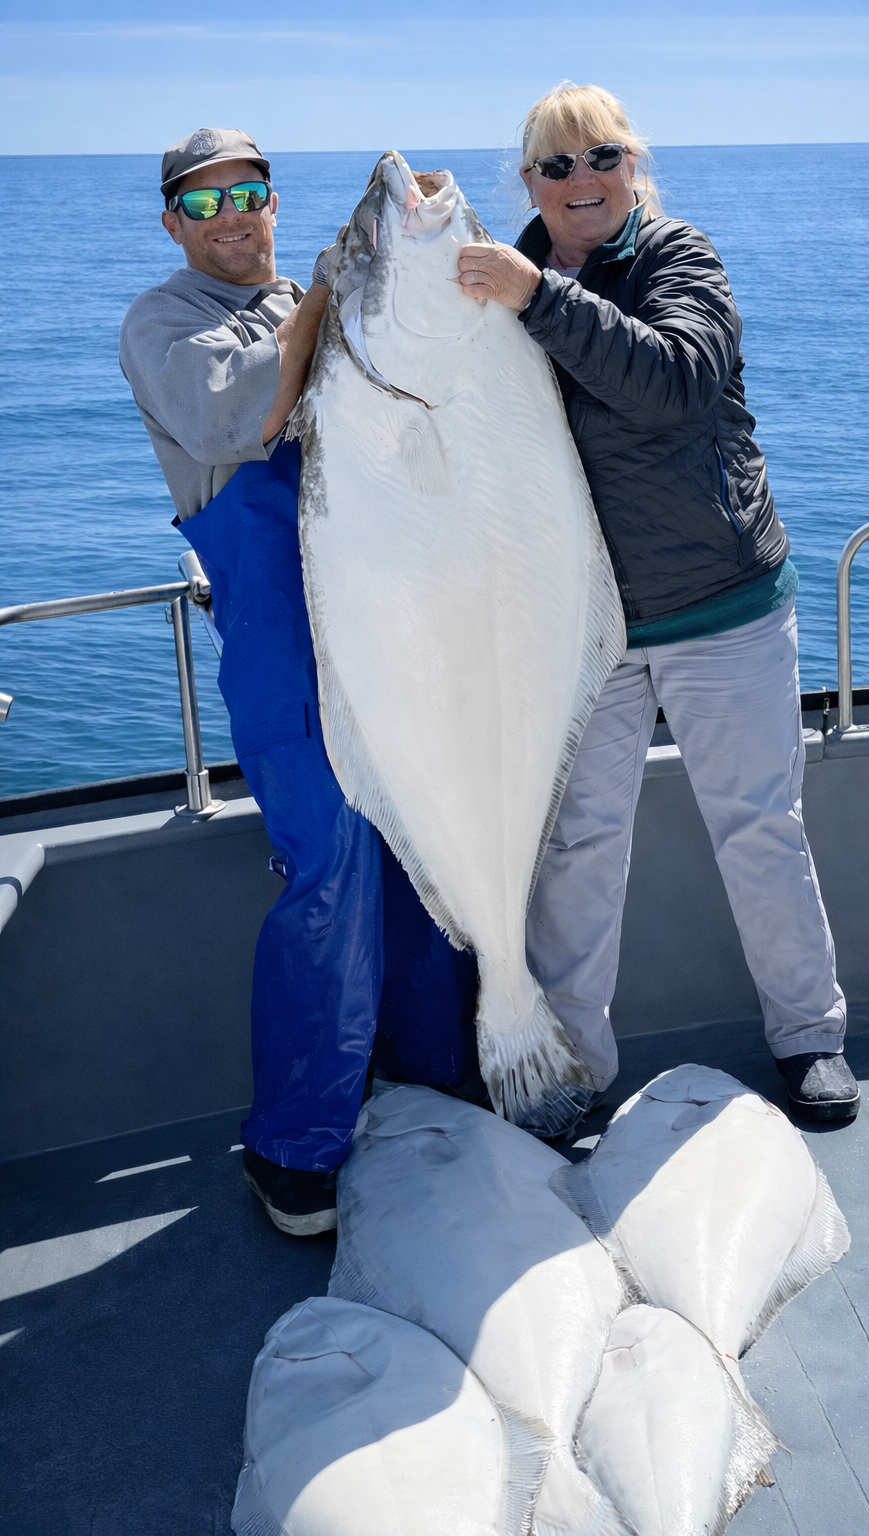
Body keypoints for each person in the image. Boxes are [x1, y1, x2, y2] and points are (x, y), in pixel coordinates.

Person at [457, 84, 859, 1123]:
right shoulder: (504, 290)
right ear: (529, 183)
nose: (580, 181)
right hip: (584, 630)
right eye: (555, 166)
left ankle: (809, 1035)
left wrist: (536, 299)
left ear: (634, 164)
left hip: (721, 603)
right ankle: (573, 1069)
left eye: (600, 157)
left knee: (759, 829)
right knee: (578, 848)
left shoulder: (680, 258)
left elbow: (676, 379)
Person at [120, 128, 479, 1237]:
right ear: (174, 222)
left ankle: (433, 1081)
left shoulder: (326, 301)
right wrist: (331, 293)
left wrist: (417, 264)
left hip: (391, 624)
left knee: (423, 857)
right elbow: (240, 416)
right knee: (328, 865)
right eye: (206, 197)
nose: (234, 211)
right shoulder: (164, 322)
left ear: (277, 203)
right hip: (284, 642)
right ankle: (295, 1146)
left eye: (252, 191)